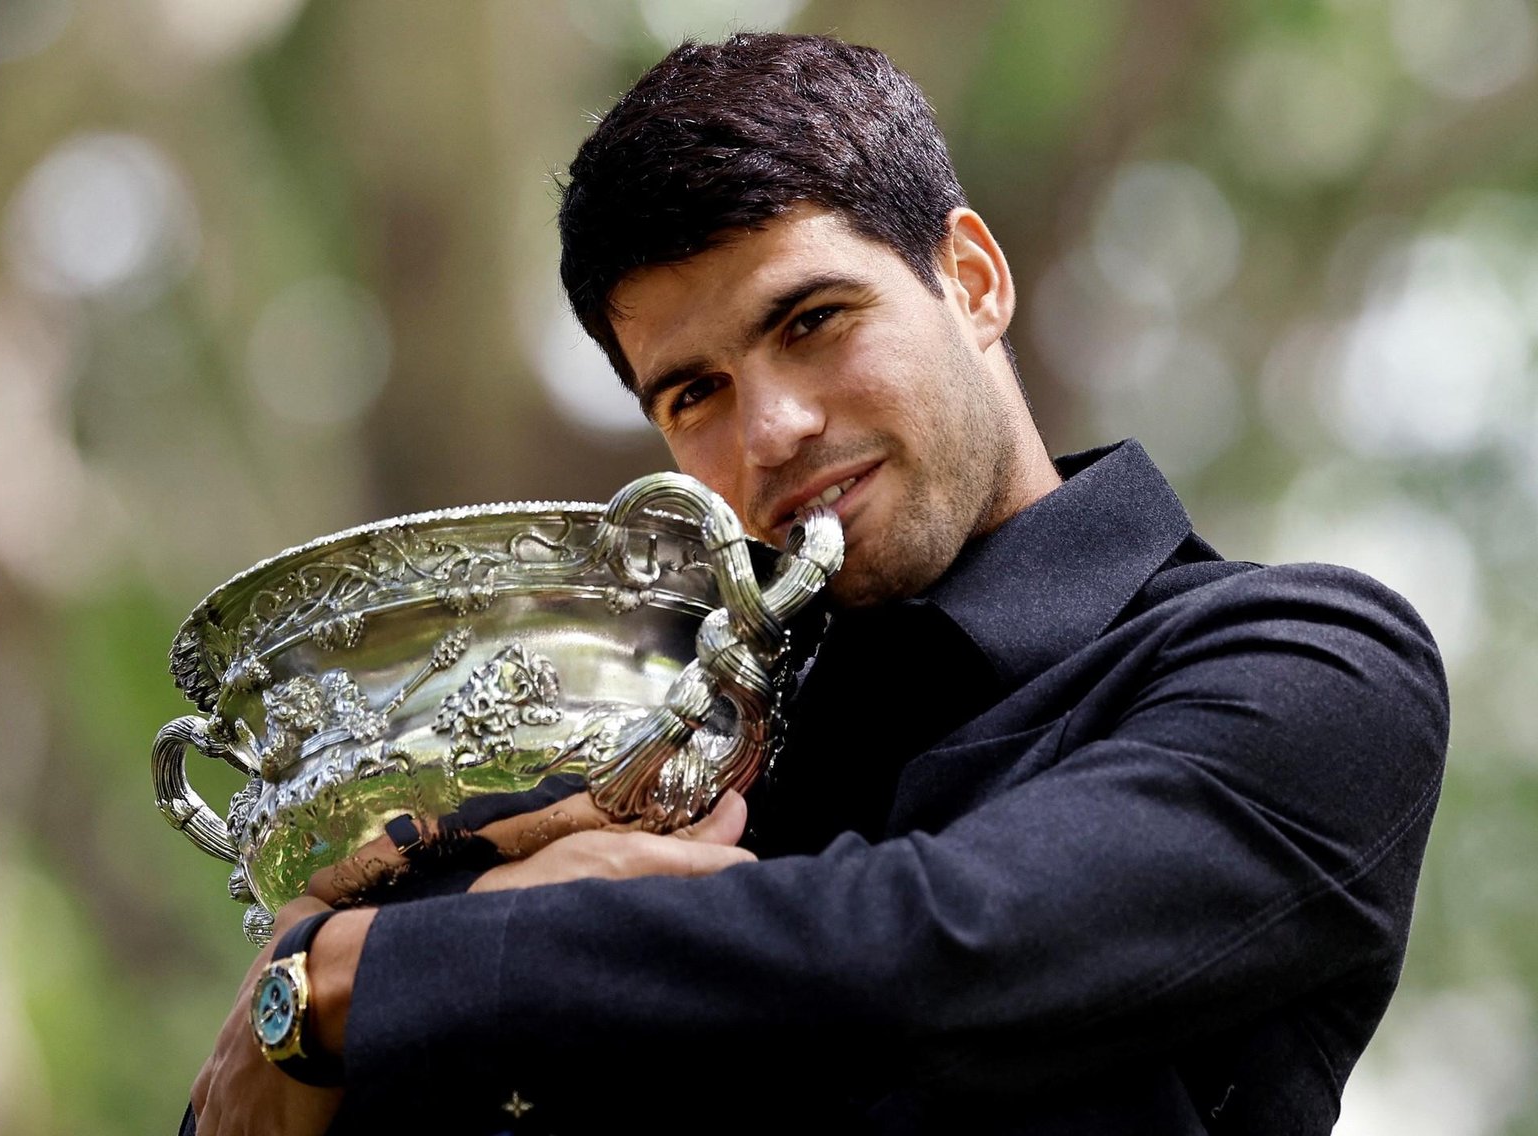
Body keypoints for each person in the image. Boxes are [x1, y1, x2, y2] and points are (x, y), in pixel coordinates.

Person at [186, 32, 1448, 1135]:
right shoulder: (660, 751)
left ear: (972, 279)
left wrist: (374, 976)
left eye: (813, 319)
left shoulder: (1305, 663)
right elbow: (274, 1084)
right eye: (693, 392)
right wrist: (316, 991)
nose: (769, 429)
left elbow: (932, 956)